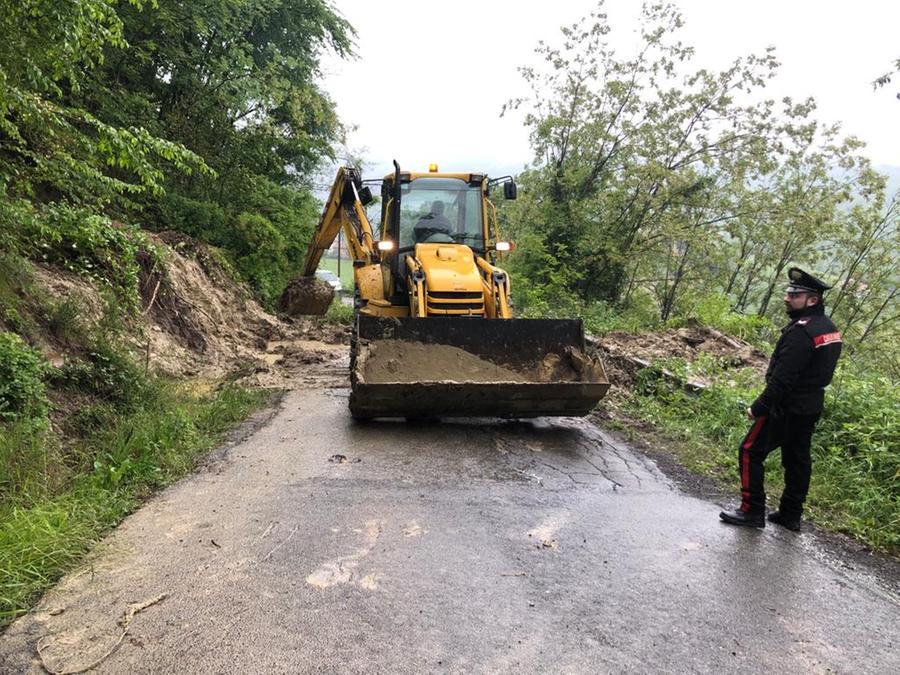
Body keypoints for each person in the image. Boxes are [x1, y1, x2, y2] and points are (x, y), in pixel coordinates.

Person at [719, 267, 842, 530]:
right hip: (810, 406)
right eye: (788, 292)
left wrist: (759, 407)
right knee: (797, 458)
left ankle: (752, 510)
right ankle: (790, 514)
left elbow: (783, 380)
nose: (787, 298)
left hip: (785, 407)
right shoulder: (829, 328)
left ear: (812, 300)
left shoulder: (802, 332)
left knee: (750, 451)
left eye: (794, 294)